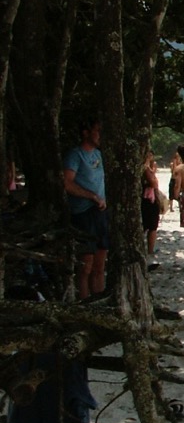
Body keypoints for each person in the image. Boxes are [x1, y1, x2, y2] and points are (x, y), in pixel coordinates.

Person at [63, 119, 108, 300]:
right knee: (85, 268)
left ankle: (99, 302)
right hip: (83, 213)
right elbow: (66, 183)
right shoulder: (76, 155)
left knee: (99, 266)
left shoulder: (99, 155)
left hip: (101, 213)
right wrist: (91, 196)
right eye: (97, 130)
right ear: (86, 132)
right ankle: (84, 302)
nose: (100, 135)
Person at [140, 149, 161, 262]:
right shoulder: (145, 168)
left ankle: (149, 249)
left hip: (147, 198)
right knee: (151, 226)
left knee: (147, 226)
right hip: (148, 200)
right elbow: (154, 183)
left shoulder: (148, 168)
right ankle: (150, 250)